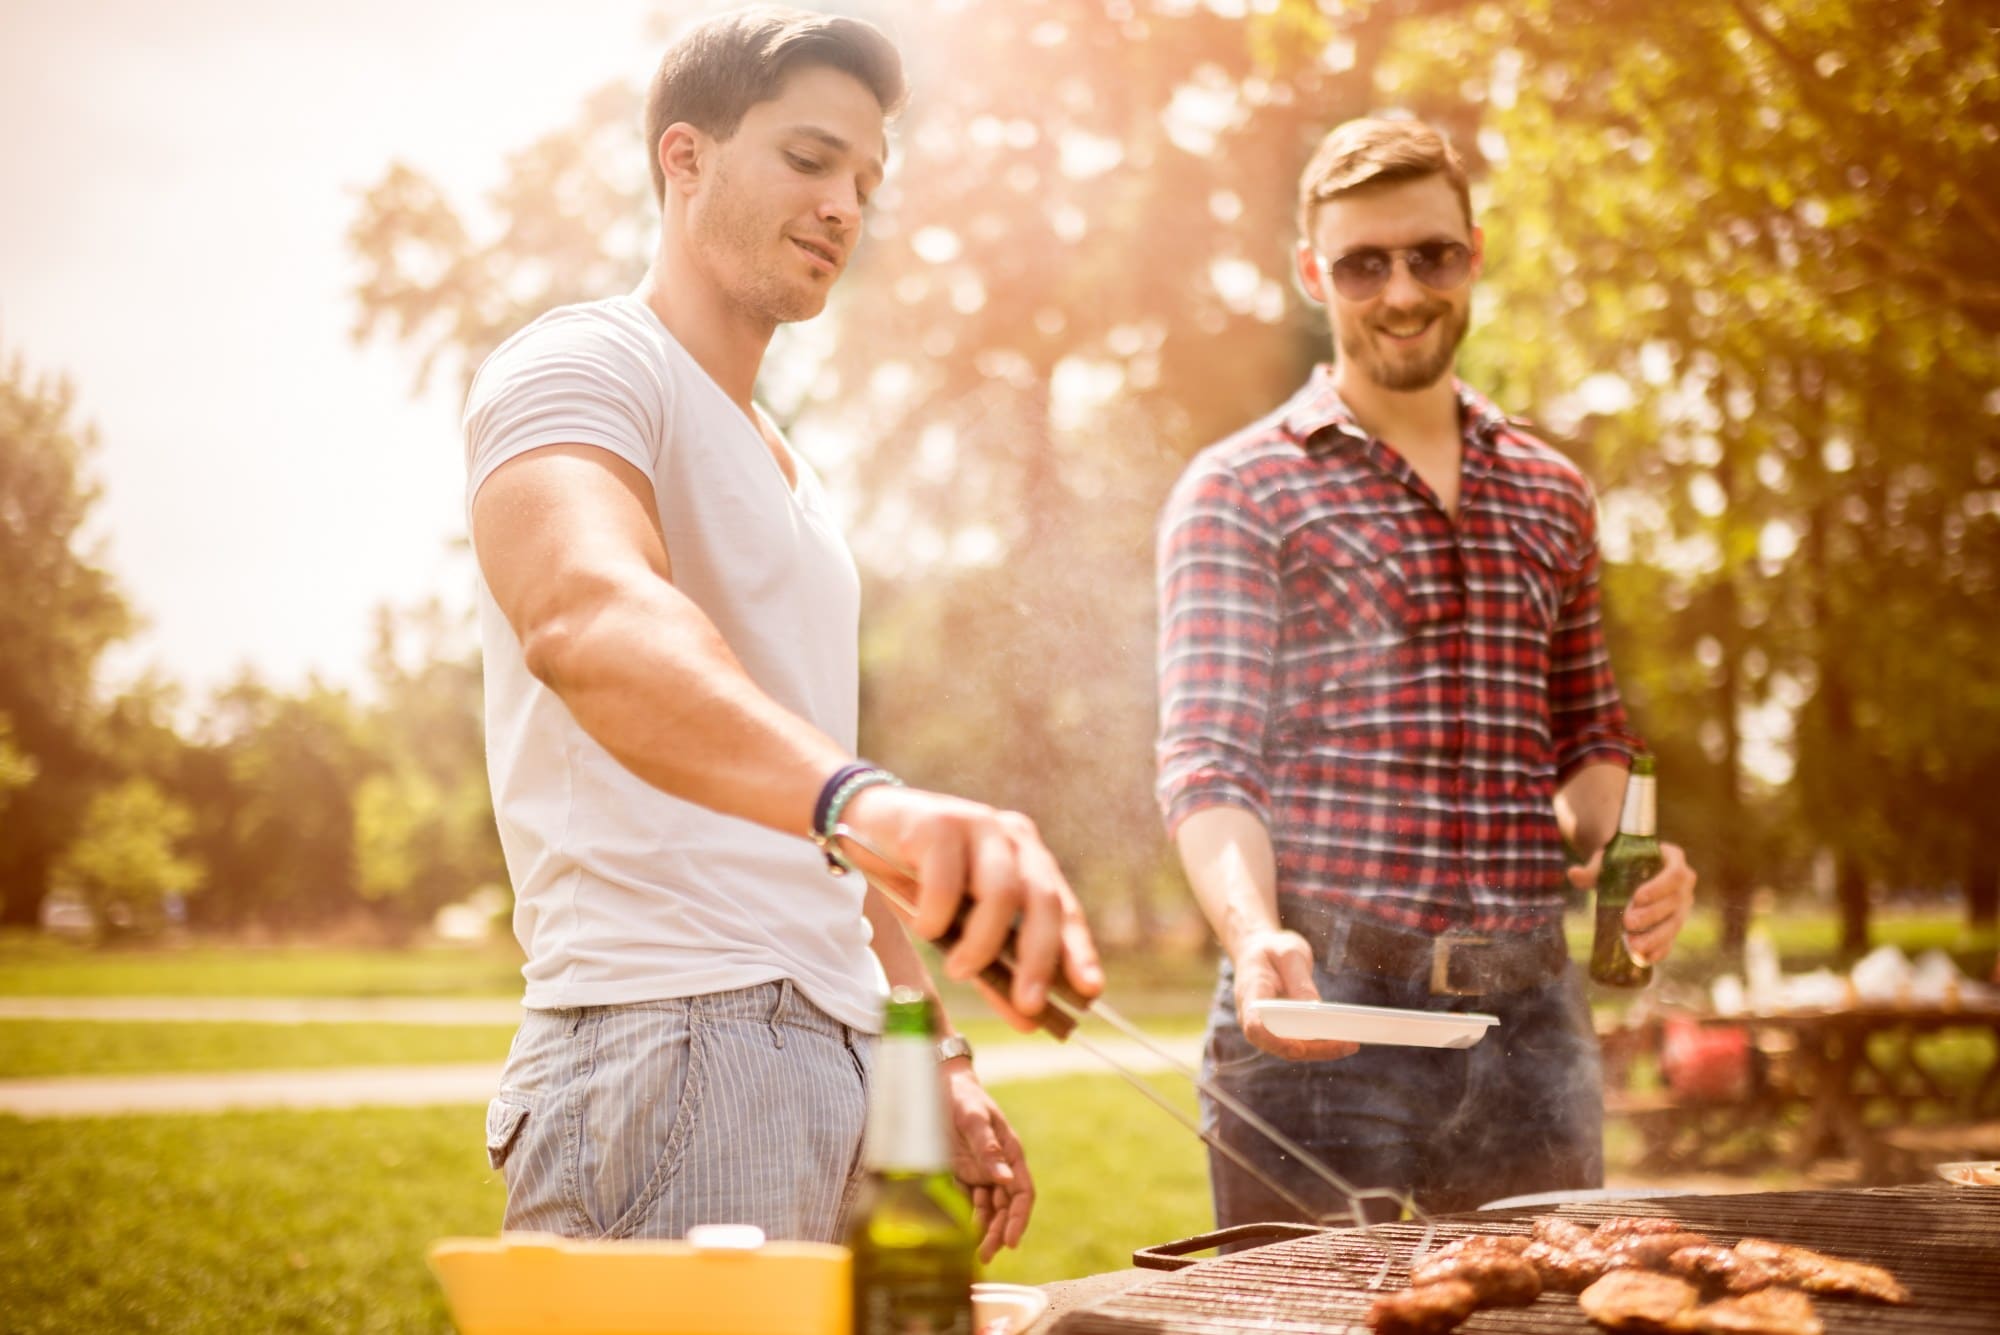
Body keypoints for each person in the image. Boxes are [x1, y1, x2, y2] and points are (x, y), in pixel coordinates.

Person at [463, 6, 1102, 1258]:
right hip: (669, 1040)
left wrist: (934, 1055)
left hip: (827, 1052)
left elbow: (818, 823)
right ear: (683, 159)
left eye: (866, 181)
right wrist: (870, 799)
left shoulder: (792, 475)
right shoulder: (583, 365)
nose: (843, 208)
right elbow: (588, 617)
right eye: (808, 162)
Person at [1154, 116, 1697, 1223]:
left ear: (1473, 253)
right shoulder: (1240, 490)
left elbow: (1587, 736)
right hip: (1323, 1022)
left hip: (1531, 1031)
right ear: (1313, 273)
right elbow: (1208, 763)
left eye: (1429, 256)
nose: (1400, 291)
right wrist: (1255, 935)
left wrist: (1633, 848)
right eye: (1363, 264)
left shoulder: (1551, 494)